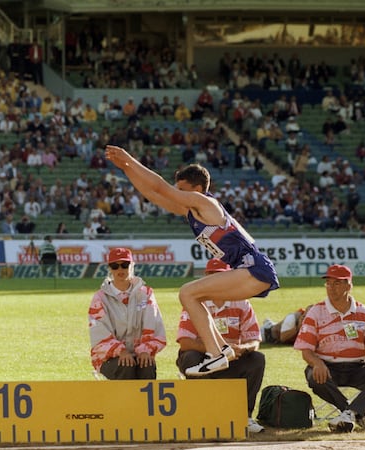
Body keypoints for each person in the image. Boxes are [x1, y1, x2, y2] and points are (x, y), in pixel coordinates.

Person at [104, 146, 279, 377]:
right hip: (251, 270)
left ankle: (216, 354)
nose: (177, 194)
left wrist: (129, 159)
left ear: (196, 190)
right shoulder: (194, 211)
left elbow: (160, 187)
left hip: (254, 268)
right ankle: (222, 350)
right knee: (196, 298)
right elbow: (154, 195)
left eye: (182, 190)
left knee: (187, 293)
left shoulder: (205, 204)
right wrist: (125, 169)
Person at [294, 264, 365, 433]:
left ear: (349, 285)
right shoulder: (316, 312)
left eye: (336, 283)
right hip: (327, 366)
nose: (331, 288)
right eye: (328, 283)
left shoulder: (363, 312)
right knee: (314, 376)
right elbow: (306, 350)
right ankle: (356, 414)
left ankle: (349, 414)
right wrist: (317, 363)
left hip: (357, 367)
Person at [176, 259, 267, 434]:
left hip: (232, 359)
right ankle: (205, 414)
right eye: (212, 275)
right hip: (205, 359)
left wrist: (244, 348)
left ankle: (244, 416)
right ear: (206, 277)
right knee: (189, 357)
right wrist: (219, 350)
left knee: (257, 359)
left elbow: (254, 340)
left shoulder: (242, 303)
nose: (216, 280)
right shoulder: (194, 303)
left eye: (221, 275)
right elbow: (185, 342)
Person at [88, 248, 166, 380]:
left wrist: (146, 350)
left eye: (125, 265)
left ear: (132, 266)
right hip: (110, 357)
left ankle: (145, 401)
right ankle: (125, 401)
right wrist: (121, 351)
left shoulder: (146, 294)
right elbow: (99, 334)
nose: (120, 269)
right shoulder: (100, 298)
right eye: (115, 265)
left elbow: (154, 325)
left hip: (140, 354)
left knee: (147, 365)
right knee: (126, 365)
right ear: (109, 269)